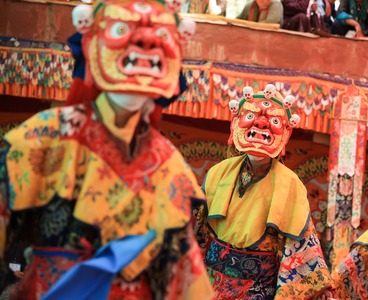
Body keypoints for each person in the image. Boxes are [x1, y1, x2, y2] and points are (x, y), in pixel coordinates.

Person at [0, 0, 215, 299]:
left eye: (161, 35)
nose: (145, 40)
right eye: (121, 29)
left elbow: (182, 277)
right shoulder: (41, 138)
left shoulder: (168, 163)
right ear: (90, 44)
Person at [196, 84, 334, 299]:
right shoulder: (219, 172)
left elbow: (301, 238)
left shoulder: (289, 183)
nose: (261, 123)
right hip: (210, 280)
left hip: (258, 288)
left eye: (275, 121)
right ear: (235, 124)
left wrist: (318, 288)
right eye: (251, 116)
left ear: (286, 134)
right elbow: (193, 225)